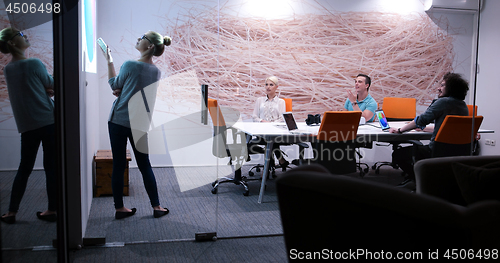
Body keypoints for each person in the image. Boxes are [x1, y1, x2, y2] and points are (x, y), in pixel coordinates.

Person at [101, 31, 171, 219]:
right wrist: (122, 90)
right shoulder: (156, 72)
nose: (138, 39)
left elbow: (114, 85)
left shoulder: (129, 65)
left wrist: (109, 61)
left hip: (119, 120)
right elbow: (131, 89)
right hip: (140, 123)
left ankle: (119, 209)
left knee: (118, 165)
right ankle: (156, 207)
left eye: (142, 38)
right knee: (144, 165)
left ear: (149, 46)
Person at [0, 28, 57, 224]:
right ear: (13, 44)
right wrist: (47, 88)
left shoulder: (8, 69)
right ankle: (52, 209)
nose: (25, 36)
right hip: (48, 121)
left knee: (24, 168)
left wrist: (43, 89)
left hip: (27, 124)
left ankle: (12, 212)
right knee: (51, 167)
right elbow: (53, 84)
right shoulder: (34, 63)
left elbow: (29, 90)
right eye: (20, 35)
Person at [388, 72, 469, 188]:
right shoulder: (463, 106)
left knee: (398, 154)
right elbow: (446, 128)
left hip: (436, 151)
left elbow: (421, 120)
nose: (438, 88)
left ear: (451, 88)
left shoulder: (443, 102)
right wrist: (424, 129)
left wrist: (400, 130)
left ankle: (420, 180)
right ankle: (428, 181)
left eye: (442, 85)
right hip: (457, 151)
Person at [250, 76, 289, 171]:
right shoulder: (259, 100)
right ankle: (280, 160)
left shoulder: (281, 102)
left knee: (271, 139)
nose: (268, 87)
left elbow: (282, 119)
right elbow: (254, 117)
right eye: (266, 84)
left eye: (271, 85)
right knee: (270, 140)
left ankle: (267, 170)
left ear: (276, 87)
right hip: (262, 132)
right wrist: (263, 122)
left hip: (276, 131)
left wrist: (272, 124)